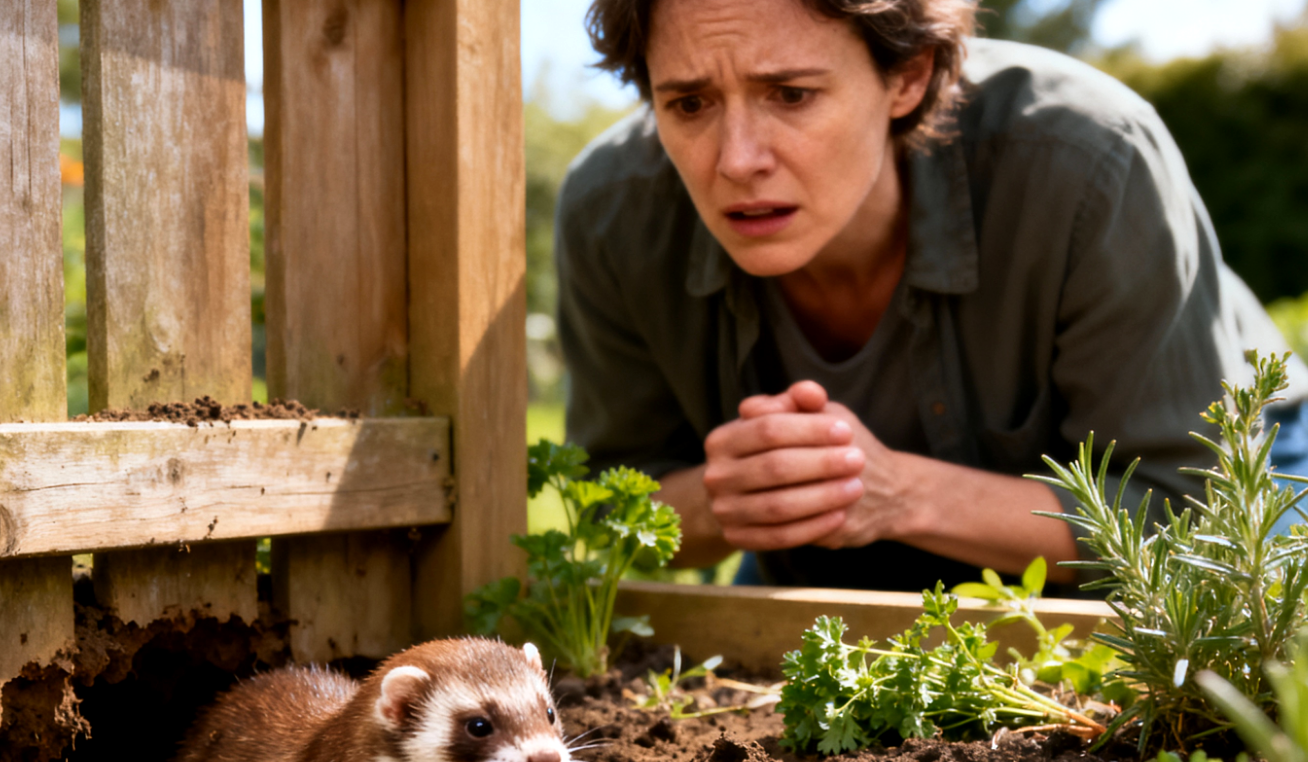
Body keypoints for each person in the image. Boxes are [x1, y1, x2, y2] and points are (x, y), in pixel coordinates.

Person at [556, 0, 1298, 592]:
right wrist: (742, 496)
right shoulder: (611, 210)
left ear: (907, 76)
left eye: (790, 93)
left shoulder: (1089, 159)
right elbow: (612, 515)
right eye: (688, 103)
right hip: (842, 546)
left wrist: (898, 493)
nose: (737, 159)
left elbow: (1191, 525)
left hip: (1248, 472)